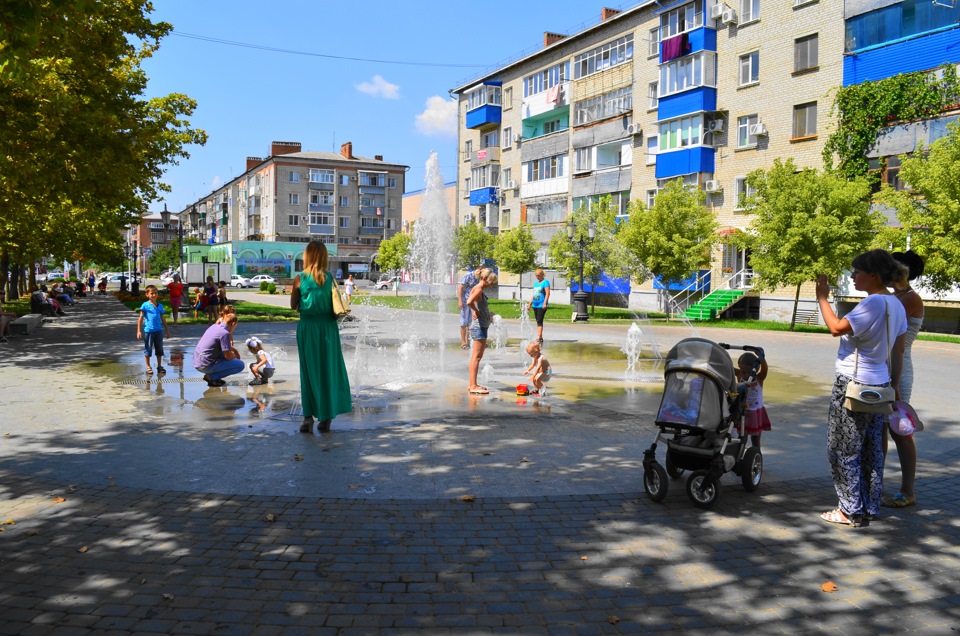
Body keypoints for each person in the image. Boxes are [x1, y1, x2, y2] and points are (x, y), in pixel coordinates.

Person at [815, 249, 907, 527]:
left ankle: (849, 509)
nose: (853, 276)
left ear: (874, 275)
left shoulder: (873, 304)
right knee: (870, 449)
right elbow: (899, 351)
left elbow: (835, 327)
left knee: (842, 448)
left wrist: (822, 297)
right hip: (880, 383)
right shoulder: (896, 305)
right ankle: (868, 506)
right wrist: (895, 385)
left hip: (853, 384)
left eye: (857, 272)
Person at [291, 240, 352, 433]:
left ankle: (307, 418)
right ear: (324, 257)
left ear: (307, 256)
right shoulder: (330, 278)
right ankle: (326, 418)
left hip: (308, 329)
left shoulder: (300, 279)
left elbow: (293, 306)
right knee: (328, 371)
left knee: (308, 373)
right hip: (328, 329)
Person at [883, 250, 925, 508]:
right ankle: (876, 481)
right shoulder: (893, 296)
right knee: (879, 431)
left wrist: (895, 383)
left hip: (898, 372)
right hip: (880, 370)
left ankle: (908, 491)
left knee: (900, 431)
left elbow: (885, 323)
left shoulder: (910, 299)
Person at [466, 268, 497, 395]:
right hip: (479, 327)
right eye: (490, 282)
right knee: (476, 357)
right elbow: (469, 302)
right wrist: (476, 311)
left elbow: (476, 304)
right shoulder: (478, 289)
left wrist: (487, 314)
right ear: (484, 278)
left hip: (481, 325)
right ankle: (473, 386)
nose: (491, 285)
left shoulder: (479, 289)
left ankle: (472, 384)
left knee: (477, 357)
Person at [193, 313, 244, 387]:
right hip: (205, 365)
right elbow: (228, 357)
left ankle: (214, 376)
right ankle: (212, 377)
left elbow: (219, 346)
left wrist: (234, 350)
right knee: (240, 365)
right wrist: (234, 355)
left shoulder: (214, 326)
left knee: (224, 355)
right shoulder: (225, 333)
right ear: (233, 324)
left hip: (197, 361)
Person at [736, 352, 770, 449]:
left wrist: (761, 358)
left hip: (756, 413)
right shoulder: (739, 375)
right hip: (743, 412)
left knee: (755, 439)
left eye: (750, 372)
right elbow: (726, 367)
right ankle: (740, 455)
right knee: (742, 437)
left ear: (756, 369)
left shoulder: (759, 378)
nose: (746, 375)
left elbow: (765, 369)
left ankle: (756, 455)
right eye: (743, 372)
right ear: (739, 368)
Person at [137, 284, 170, 375]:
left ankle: (159, 366)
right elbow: (140, 318)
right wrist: (139, 330)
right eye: (152, 293)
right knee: (148, 349)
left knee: (159, 349)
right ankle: (148, 366)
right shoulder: (145, 305)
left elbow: (163, 319)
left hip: (158, 331)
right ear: (147, 294)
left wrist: (167, 330)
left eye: (155, 293)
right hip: (149, 331)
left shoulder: (160, 306)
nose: (154, 295)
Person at [457, 267, 482, 350]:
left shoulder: (478, 278)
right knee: (464, 321)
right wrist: (460, 301)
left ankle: (468, 341)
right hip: (464, 301)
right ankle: (463, 342)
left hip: (472, 302)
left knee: (471, 322)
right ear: (477, 271)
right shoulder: (468, 275)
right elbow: (460, 288)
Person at [531, 268, 551, 344]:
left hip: (541, 304)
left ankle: (538, 337)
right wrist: (530, 303)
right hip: (535, 304)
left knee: (539, 320)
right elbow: (534, 294)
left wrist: (545, 303)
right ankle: (541, 337)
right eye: (536, 275)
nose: (537, 277)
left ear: (542, 275)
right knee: (537, 321)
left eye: (538, 275)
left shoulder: (545, 282)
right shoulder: (536, 284)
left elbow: (548, 293)